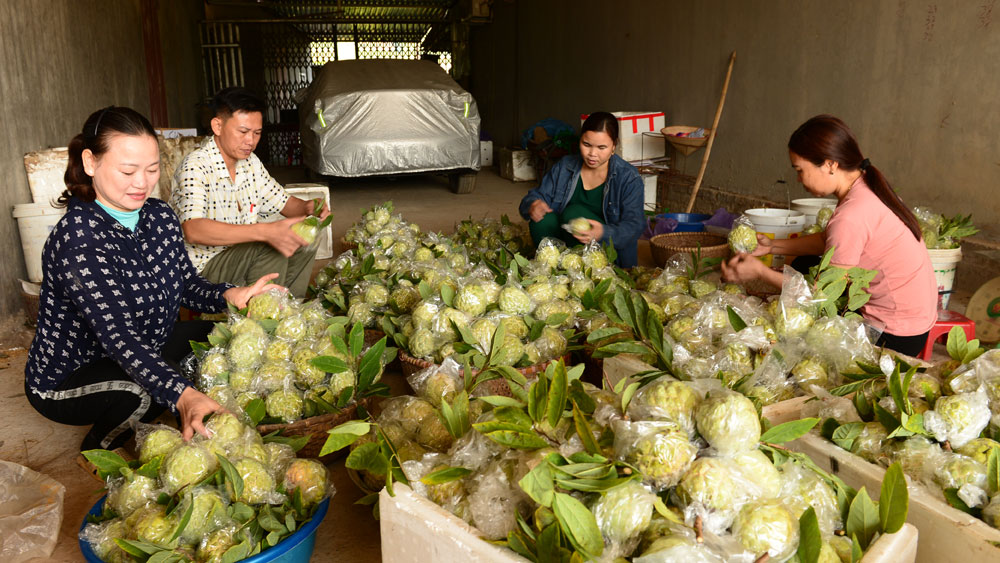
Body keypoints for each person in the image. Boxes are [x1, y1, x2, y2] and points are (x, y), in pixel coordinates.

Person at [24, 106, 278, 456]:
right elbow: (119, 338)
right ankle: (98, 451)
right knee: (146, 390)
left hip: (144, 344)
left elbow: (186, 285)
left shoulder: (158, 216)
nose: (142, 182)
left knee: (225, 338)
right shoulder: (78, 239)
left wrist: (232, 294)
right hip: (70, 376)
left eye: (152, 169)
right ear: (90, 162)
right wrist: (181, 393)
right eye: (128, 170)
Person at [721, 115, 936, 356]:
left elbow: (821, 297)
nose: (799, 179)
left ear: (830, 164)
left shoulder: (852, 215)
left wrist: (761, 272)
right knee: (805, 264)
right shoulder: (867, 186)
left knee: (802, 338)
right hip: (916, 321)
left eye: (800, 170)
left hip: (893, 335)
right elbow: (829, 242)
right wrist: (772, 246)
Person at [169, 87, 329, 298]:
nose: (250, 141)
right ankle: (267, 317)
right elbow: (193, 229)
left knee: (304, 236)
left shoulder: (250, 163)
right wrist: (264, 232)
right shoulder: (196, 166)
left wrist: (308, 207)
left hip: (241, 255)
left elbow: (285, 203)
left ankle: (289, 306)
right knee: (268, 245)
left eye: (257, 133)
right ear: (218, 125)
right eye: (243, 132)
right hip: (204, 268)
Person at [518, 112, 646, 268]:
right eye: (586, 145)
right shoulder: (565, 166)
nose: (592, 154)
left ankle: (591, 270)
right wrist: (533, 204)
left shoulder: (628, 178)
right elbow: (537, 195)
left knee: (573, 213)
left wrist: (603, 232)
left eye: (601, 147)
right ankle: (555, 267)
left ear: (614, 146)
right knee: (542, 219)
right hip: (566, 243)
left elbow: (635, 226)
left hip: (604, 252)